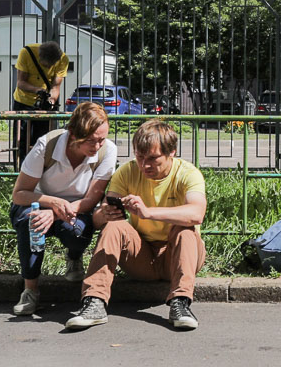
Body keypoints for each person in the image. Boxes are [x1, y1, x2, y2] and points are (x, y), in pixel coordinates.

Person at [66, 119, 208, 331]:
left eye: (153, 158)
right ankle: (94, 302)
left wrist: (148, 213)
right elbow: (97, 221)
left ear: (172, 152)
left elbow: (197, 214)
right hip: (141, 257)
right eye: (140, 157)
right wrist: (105, 213)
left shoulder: (188, 173)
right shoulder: (127, 172)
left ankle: (181, 303)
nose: (145, 165)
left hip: (178, 256)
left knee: (184, 228)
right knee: (114, 225)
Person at [8, 102, 117, 316]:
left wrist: (56, 211)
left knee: (77, 230)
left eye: (101, 139)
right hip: (36, 203)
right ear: (73, 134)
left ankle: (74, 256)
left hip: (77, 207)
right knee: (32, 222)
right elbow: (19, 194)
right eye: (90, 141)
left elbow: (90, 199)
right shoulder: (47, 145)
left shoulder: (107, 151)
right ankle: (30, 290)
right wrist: (51, 204)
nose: (97, 147)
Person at [12, 40, 68, 164]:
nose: (49, 68)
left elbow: (55, 86)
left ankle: (39, 168)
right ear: (40, 57)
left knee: (42, 140)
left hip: (44, 105)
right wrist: (38, 90)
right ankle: (19, 169)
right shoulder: (26, 53)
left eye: (51, 65)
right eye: (46, 65)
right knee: (21, 140)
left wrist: (51, 101)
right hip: (23, 101)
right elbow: (20, 83)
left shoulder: (63, 59)